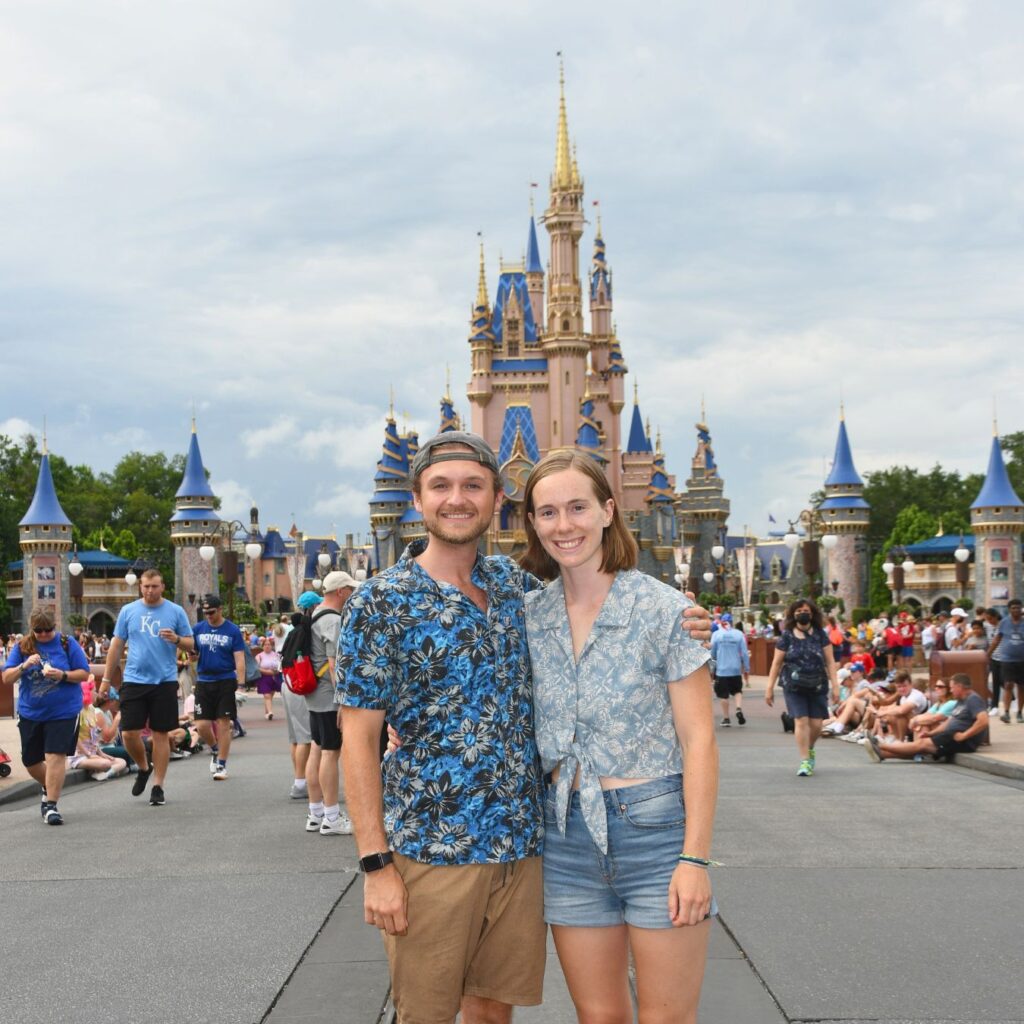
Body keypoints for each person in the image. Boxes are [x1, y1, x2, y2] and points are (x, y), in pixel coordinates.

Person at [338, 431, 712, 1024]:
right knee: (427, 1015)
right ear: (416, 498)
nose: (456, 499)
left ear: (495, 500)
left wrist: (686, 617)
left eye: (472, 486)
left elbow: (605, 606)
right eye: (441, 486)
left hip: (526, 846)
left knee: (492, 1015)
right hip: (437, 850)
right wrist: (375, 863)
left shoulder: (519, 593)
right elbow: (356, 741)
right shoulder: (381, 603)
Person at [522, 451, 717, 1024]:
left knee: (665, 1019)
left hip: (654, 831)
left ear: (609, 510)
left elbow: (700, 739)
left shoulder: (666, 611)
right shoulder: (529, 616)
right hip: (565, 836)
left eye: (578, 507)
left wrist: (695, 858)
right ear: (533, 523)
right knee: (599, 1017)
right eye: (548, 512)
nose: (565, 525)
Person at [98, 568, 194, 806]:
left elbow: (191, 643)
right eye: (146, 586)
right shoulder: (129, 611)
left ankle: (158, 786)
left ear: (162, 587)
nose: (150, 591)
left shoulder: (175, 611)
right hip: (134, 680)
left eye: (155, 586)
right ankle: (143, 766)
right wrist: (106, 680)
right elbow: (116, 647)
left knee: (161, 734)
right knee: (129, 732)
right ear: (140, 587)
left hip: (164, 680)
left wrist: (177, 640)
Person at [2, 608, 91, 825]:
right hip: (31, 711)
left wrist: (63, 675)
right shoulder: (24, 645)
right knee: (31, 761)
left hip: (63, 711)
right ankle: (48, 785)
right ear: (32, 629)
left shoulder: (66, 643)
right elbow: (7, 677)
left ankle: (51, 805)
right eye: (38, 631)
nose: (43, 635)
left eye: (47, 630)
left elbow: (84, 672)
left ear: (55, 626)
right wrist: (24, 665)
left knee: (54, 755)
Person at [306, 571, 358, 836]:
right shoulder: (332, 621)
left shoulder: (315, 613)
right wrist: (344, 701)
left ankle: (316, 812)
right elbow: (335, 665)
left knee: (317, 748)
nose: (353, 593)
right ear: (341, 592)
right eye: (350, 589)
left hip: (314, 695)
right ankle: (332, 817)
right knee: (330, 752)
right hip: (328, 696)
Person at [764, 597, 840, 776]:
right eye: (799, 611)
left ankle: (810, 747)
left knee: (816, 724)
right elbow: (776, 663)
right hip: (794, 685)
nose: (802, 614)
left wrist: (835, 685)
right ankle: (805, 760)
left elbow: (830, 662)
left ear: (812, 614)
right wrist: (769, 688)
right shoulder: (787, 636)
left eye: (806, 611)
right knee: (801, 720)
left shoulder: (820, 634)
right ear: (793, 615)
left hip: (817, 684)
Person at [865, 673, 989, 762]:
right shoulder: (961, 701)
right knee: (922, 748)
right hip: (951, 735)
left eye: (952, 687)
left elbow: (983, 721)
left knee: (922, 745)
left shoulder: (973, 699)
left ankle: (879, 745)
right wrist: (932, 733)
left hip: (963, 741)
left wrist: (964, 735)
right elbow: (950, 722)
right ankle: (882, 754)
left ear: (960, 687)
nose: (951, 690)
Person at [192, 594, 245, 781]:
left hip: (225, 680)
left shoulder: (232, 630)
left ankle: (222, 764)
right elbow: (193, 651)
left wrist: (241, 682)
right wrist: (190, 655)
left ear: (220, 609)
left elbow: (239, 657)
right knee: (202, 725)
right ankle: (215, 748)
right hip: (204, 681)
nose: (208, 616)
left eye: (211, 612)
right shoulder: (198, 629)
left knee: (224, 723)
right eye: (205, 612)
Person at [282, 605, 316, 800]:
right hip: (300, 686)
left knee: (295, 737)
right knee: (306, 738)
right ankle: (301, 782)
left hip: (287, 684)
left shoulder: (292, 633)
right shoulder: (306, 634)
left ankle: (299, 780)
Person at [710, 612, 750, 726]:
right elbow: (744, 653)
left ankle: (726, 718)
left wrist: (711, 668)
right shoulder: (739, 634)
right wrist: (746, 668)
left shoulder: (716, 635)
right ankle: (738, 708)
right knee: (737, 690)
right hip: (735, 669)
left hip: (722, 670)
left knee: (723, 695)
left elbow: (712, 652)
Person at [989, 598, 1024, 724]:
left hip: (1022, 660)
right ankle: (1007, 712)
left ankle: (1020, 712)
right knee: (1008, 684)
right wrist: (988, 654)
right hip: (1007, 659)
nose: (1016, 610)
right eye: (1013, 608)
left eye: (1018, 607)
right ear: (1009, 610)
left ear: (1021, 609)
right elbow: (997, 639)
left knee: (1021, 686)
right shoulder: (1004, 622)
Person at [256, 636, 283, 720]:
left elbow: (280, 666)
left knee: (270, 696)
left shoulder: (276, 655)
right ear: (263, 646)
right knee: (267, 695)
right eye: (265, 645)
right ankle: (270, 712)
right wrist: (267, 672)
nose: (267, 646)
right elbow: (256, 668)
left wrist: (276, 671)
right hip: (264, 678)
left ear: (272, 646)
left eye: (269, 644)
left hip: (274, 677)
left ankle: (267, 712)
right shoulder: (259, 656)